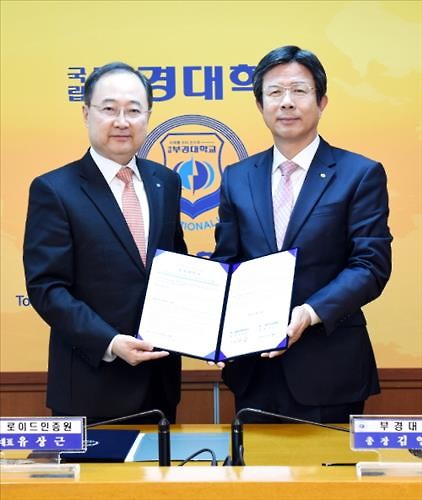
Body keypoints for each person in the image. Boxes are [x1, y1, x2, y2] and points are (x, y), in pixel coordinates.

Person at [212, 46, 392, 423]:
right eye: (275, 92)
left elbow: (370, 266)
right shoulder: (237, 177)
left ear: (322, 101)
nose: (287, 102)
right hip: (254, 370)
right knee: (254, 463)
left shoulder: (360, 174)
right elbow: (228, 262)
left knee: (326, 464)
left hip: (329, 369)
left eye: (299, 90)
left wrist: (309, 313)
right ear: (260, 104)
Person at [23, 62, 187, 424]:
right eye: (109, 109)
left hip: (159, 383)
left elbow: (176, 266)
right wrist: (110, 342)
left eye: (134, 110)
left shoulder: (166, 182)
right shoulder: (55, 190)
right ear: (86, 113)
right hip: (90, 385)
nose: (122, 121)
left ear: (148, 116)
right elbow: (47, 288)